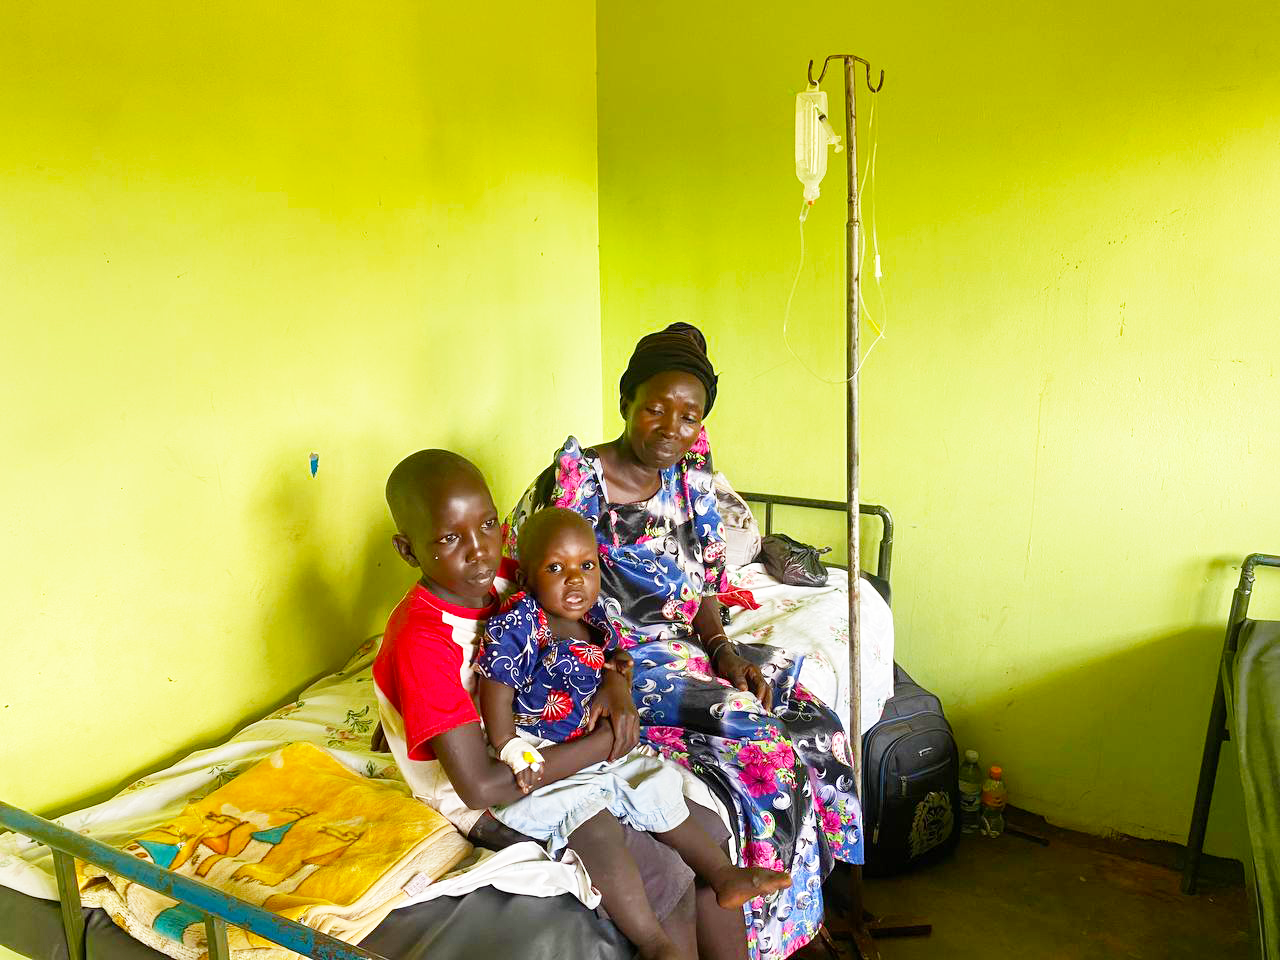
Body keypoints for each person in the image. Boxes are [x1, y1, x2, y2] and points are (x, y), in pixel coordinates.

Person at [505, 324, 863, 960]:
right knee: (762, 744)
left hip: (685, 652)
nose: (670, 428)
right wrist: (608, 671)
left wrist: (723, 648)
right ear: (625, 404)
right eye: (654, 408)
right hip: (598, 658)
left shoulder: (695, 488)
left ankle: (802, 909)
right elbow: (522, 581)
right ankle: (754, 927)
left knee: (816, 723)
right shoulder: (572, 484)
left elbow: (702, 591)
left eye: (689, 417)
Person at [371, 449, 751, 960]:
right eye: (448, 538)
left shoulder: (509, 578)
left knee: (706, 829)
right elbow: (480, 784)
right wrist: (605, 745)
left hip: (554, 747)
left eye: (487, 525)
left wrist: (616, 685)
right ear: (407, 550)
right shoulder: (422, 641)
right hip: (488, 795)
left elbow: (597, 636)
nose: (479, 551)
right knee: (666, 875)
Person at [475, 507, 790, 960]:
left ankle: (723, 875)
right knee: (586, 817)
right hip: (545, 749)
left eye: (586, 566)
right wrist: (507, 744)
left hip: (600, 749)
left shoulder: (595, 617)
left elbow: (615, 660)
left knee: (655, 783)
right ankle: (654, 942)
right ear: (525, 577)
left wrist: (615, 680)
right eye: (555, 568)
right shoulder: (522, 620)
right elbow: (497, 683)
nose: (575, 580)